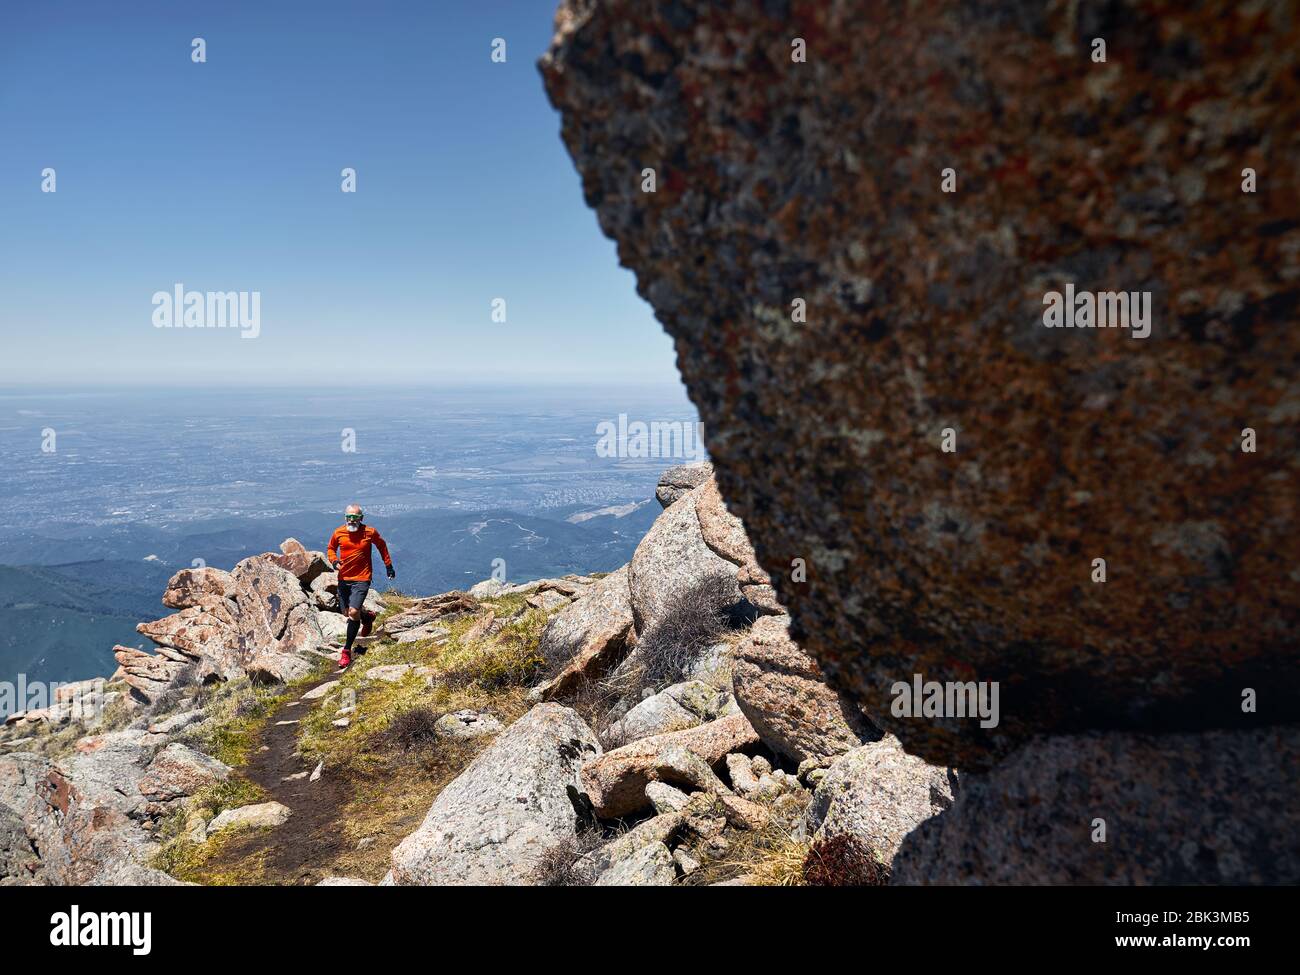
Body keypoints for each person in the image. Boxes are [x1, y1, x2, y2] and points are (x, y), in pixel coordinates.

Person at [326, 504, 394, 669]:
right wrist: (334, 561)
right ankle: (367, 617)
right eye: (349, 517)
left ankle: (346, 651)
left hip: (362, 578)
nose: (352, 520)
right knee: (346, 612)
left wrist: (388, 565)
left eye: (355, 517)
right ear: (345, 518)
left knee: (352, 612)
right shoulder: (338, 532)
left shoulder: (369, 532)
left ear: (361, 518)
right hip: (343, 578)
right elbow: (331, 549)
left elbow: (382, 546)